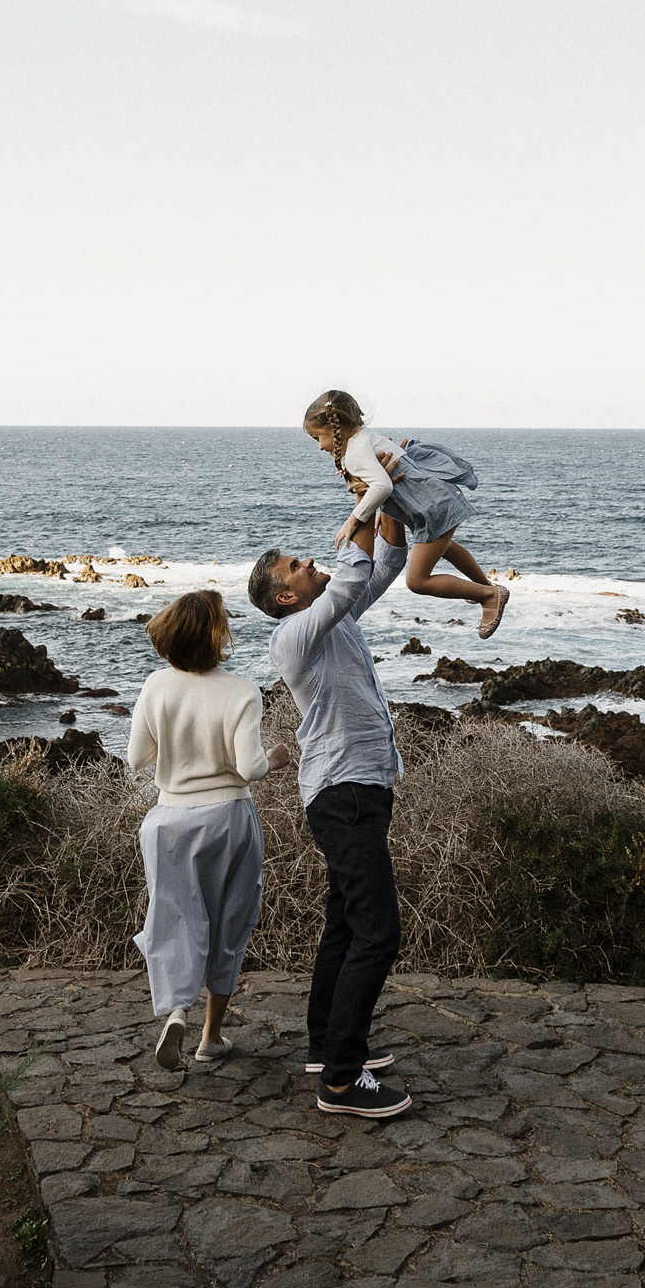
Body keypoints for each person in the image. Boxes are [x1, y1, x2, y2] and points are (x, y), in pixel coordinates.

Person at [246, 515, 413, 1119]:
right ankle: (342, 1081)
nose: (309, 562)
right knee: (379, 931)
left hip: (364, 785)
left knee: (345, 924)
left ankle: (325, 1048)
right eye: (296, 565)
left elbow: (385, 565)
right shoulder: (294, 635)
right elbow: (346, 582)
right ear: (287, 596)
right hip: (340, 794)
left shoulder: (332, 622)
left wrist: (386, 502)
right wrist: (367, 500)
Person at [126, 588, 282, 1071]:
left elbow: (136, 760)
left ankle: (176, 1011)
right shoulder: (242, 691)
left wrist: (176, 749)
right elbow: (250, 767)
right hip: (227, 819)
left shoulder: (155, 686)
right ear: (218, 636)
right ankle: (211, 1037)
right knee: (228, 921)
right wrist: (277, 757)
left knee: (175, 920)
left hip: (169, 823)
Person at [302, 388, 509, 639]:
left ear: (335, 429)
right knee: (445, 547)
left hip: (431, 505)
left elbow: (382, 485)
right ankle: (487, 588)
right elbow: (390, 477)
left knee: (417, 581)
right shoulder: (365, 436)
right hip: (432, 500)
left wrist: (354, 519)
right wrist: (384, 507)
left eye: (317, 438)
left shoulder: (355, 453)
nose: (320, 447)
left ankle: (489, 596)